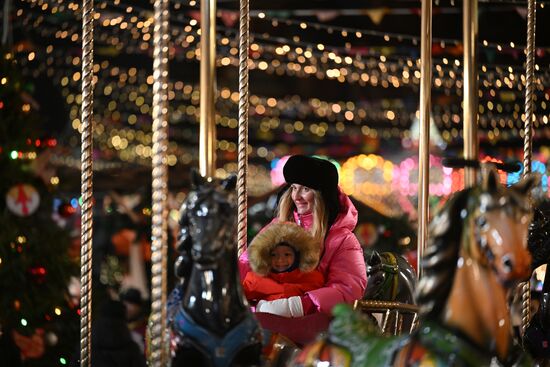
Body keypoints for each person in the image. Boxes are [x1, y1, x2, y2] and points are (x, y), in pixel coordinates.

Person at [239, 155, 367, 326]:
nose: (296, 196)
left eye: (305, 189)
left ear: (322, 195)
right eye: (293, 188)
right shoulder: (278, 227)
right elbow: (247, 263)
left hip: (311, 325)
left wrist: (294, 306)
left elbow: (348, 291)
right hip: (265, 317)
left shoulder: (342, 240)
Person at [242, 222, 325, 308]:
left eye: (287, 254)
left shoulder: (311, 278)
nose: (280, 260)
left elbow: (317, 302)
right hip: (266, 319)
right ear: (266, 257)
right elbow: (239, 295)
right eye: (274, 255)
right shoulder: (256, 279)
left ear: (298, 256)